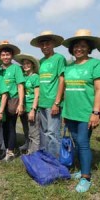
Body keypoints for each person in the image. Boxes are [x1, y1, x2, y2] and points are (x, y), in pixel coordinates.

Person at [61, 29, 100, 193]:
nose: (79, 49)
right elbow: (65, 90)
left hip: (86, 113)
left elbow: (99, 89)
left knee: (83, 144)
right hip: (70, 112)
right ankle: (80, 169)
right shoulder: (69, 67)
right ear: (72, 49)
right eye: (76, 46)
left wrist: (96, 112)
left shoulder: (95, 64)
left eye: (83, 46)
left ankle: (86, 177)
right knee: (77, 143)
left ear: (88, 48)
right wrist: (64, 112)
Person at [30, 31, 66, 152]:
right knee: (44, 132)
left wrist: (57, 102)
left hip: (53, 102)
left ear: (53, 44)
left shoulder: (59, 58)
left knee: (53, 133)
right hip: (42, 101)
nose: (45, 47)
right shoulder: (41, 61)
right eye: (42, 44)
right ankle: (46, 157)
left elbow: (62, 80)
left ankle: (55, 161)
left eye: (47, 44)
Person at [0, 40, 25, 161]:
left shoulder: (16, 68)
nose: (5, 57)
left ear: (11, 56)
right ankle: (5, 147)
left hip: (12, 100)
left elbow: (21, 86)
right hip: (0, 102)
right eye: (3, 55)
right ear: (0, 57)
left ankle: (10, 151)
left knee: (11, 126)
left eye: (8, 54)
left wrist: (21, 103)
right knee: (2, 126)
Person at [14, 54, 40, 154]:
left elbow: (37, 95)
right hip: (23, 108)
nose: (25, 65)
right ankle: (28, 147)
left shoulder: (35, 77)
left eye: (28, 63)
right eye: (24, 64)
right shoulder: (23, 77)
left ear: (33, 65)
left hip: (31, 108)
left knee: (34, 132)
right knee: (26, 130)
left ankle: (34, 154)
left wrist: (33, 109)